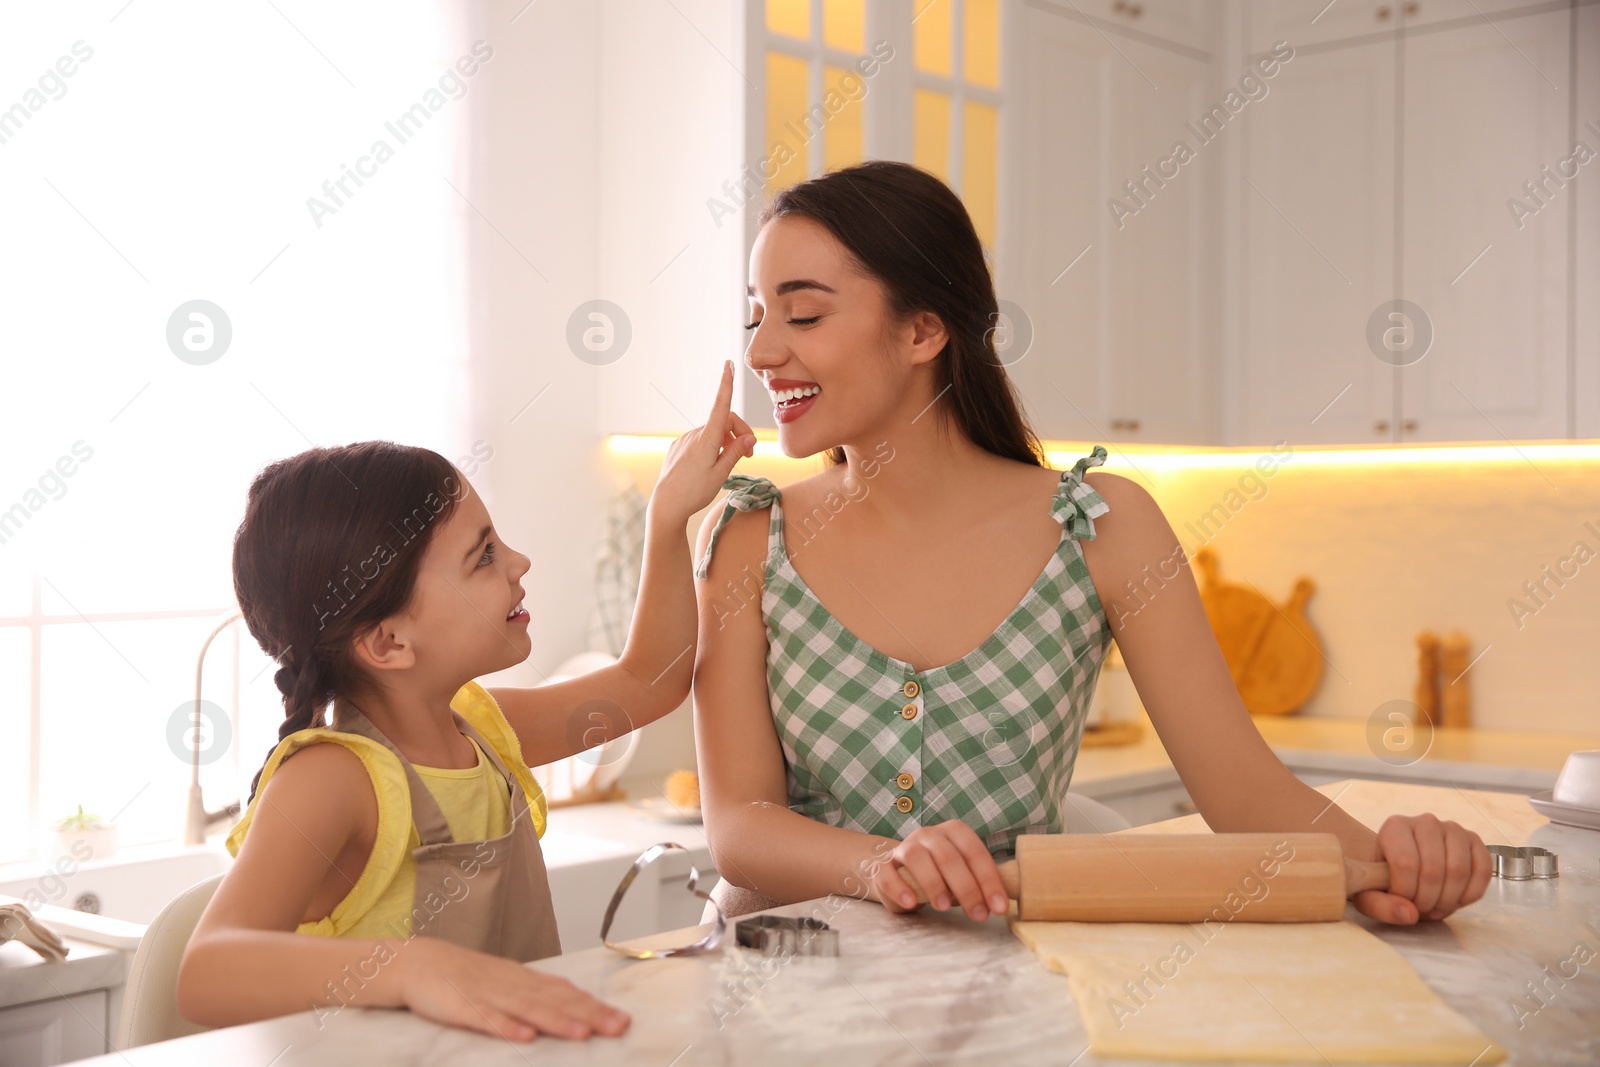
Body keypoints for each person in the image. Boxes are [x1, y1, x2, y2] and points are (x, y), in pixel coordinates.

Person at [691, 160, 1491, 928]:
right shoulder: (748, 538)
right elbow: (740, 825)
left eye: (803, 315)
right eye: (757, 315)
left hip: (1001, 981)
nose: (761, 352)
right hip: (776, 970)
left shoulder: (1102, 525)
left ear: (923, 331)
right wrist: (883, 865)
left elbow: (1245, 795)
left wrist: (1391, 865)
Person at [178, 364, 754, 1042]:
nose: (519, 561)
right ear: (389, 641)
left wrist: (667, 516)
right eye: (482, 557)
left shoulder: (487, 729)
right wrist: (414, 966)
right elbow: (206, 971)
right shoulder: (332, 779)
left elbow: (648, 681)